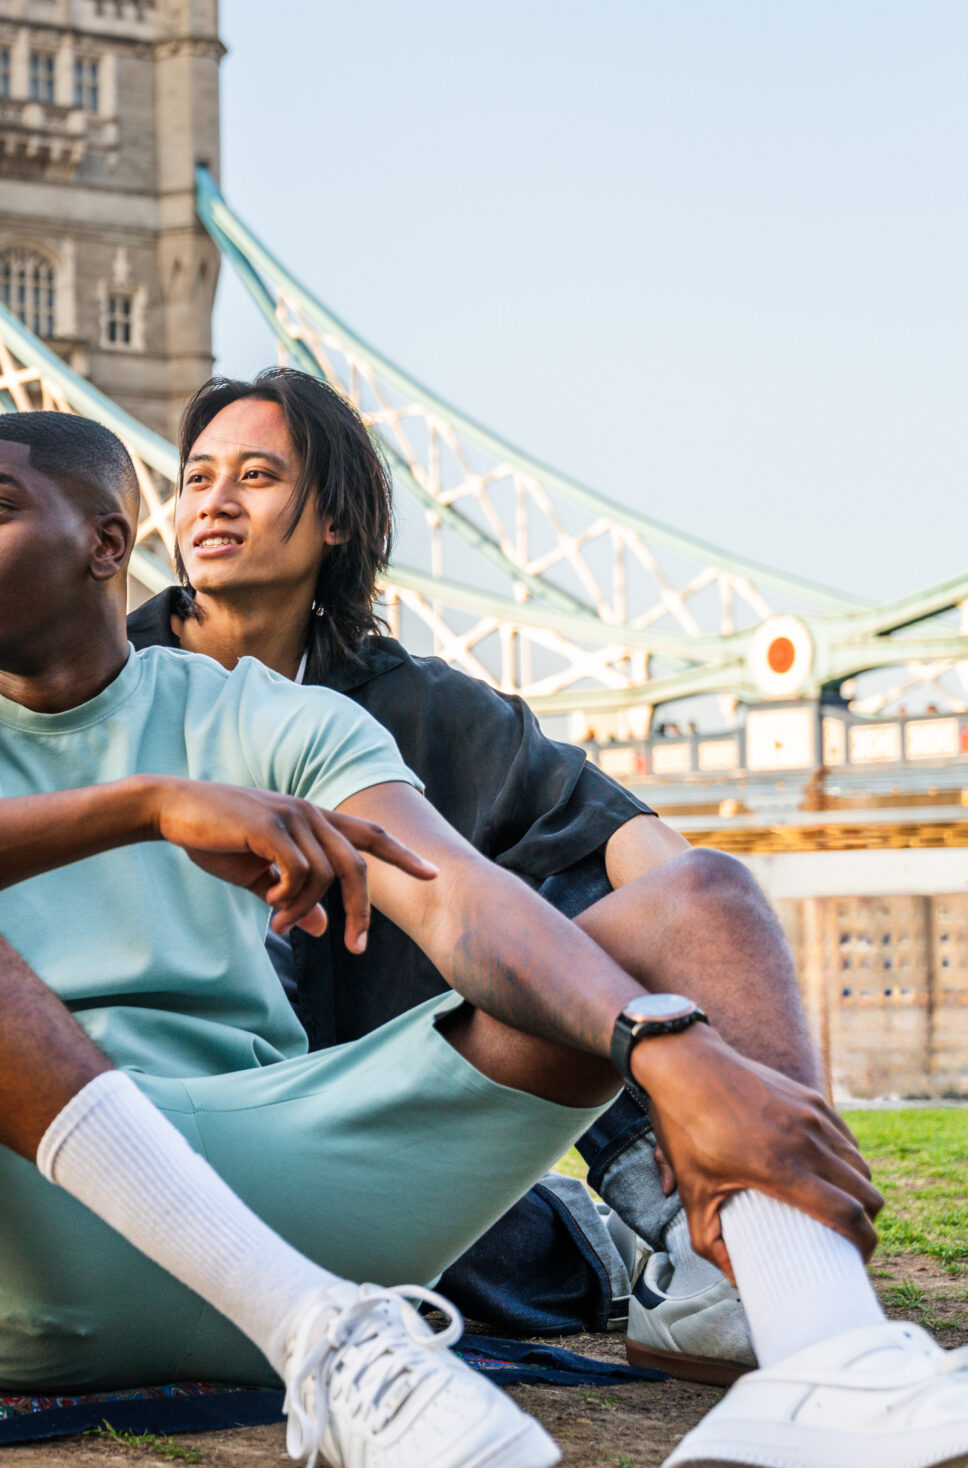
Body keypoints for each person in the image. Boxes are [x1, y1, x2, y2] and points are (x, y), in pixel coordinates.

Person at [0, 409, 961, 1468]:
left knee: (706, 896)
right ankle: (315, 1335)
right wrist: (142, 805)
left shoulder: (275, 716)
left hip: (286, 1169)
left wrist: (662, 1046)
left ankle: (826, 1353)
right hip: (20, 1228)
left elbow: (454, 897)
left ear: (107, 546)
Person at [130, 368, 778, 1374]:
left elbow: (634, 844)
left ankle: (726, 1224)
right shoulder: (105, 678)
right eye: (198, 475)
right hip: (170, 1102)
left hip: (369, 1098)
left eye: (256, 475)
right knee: (435, 1269)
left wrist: (717, 1034)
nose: (213, 499)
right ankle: (599, 1249)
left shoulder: (420, 705)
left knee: (590, 894)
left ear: (334, 519)